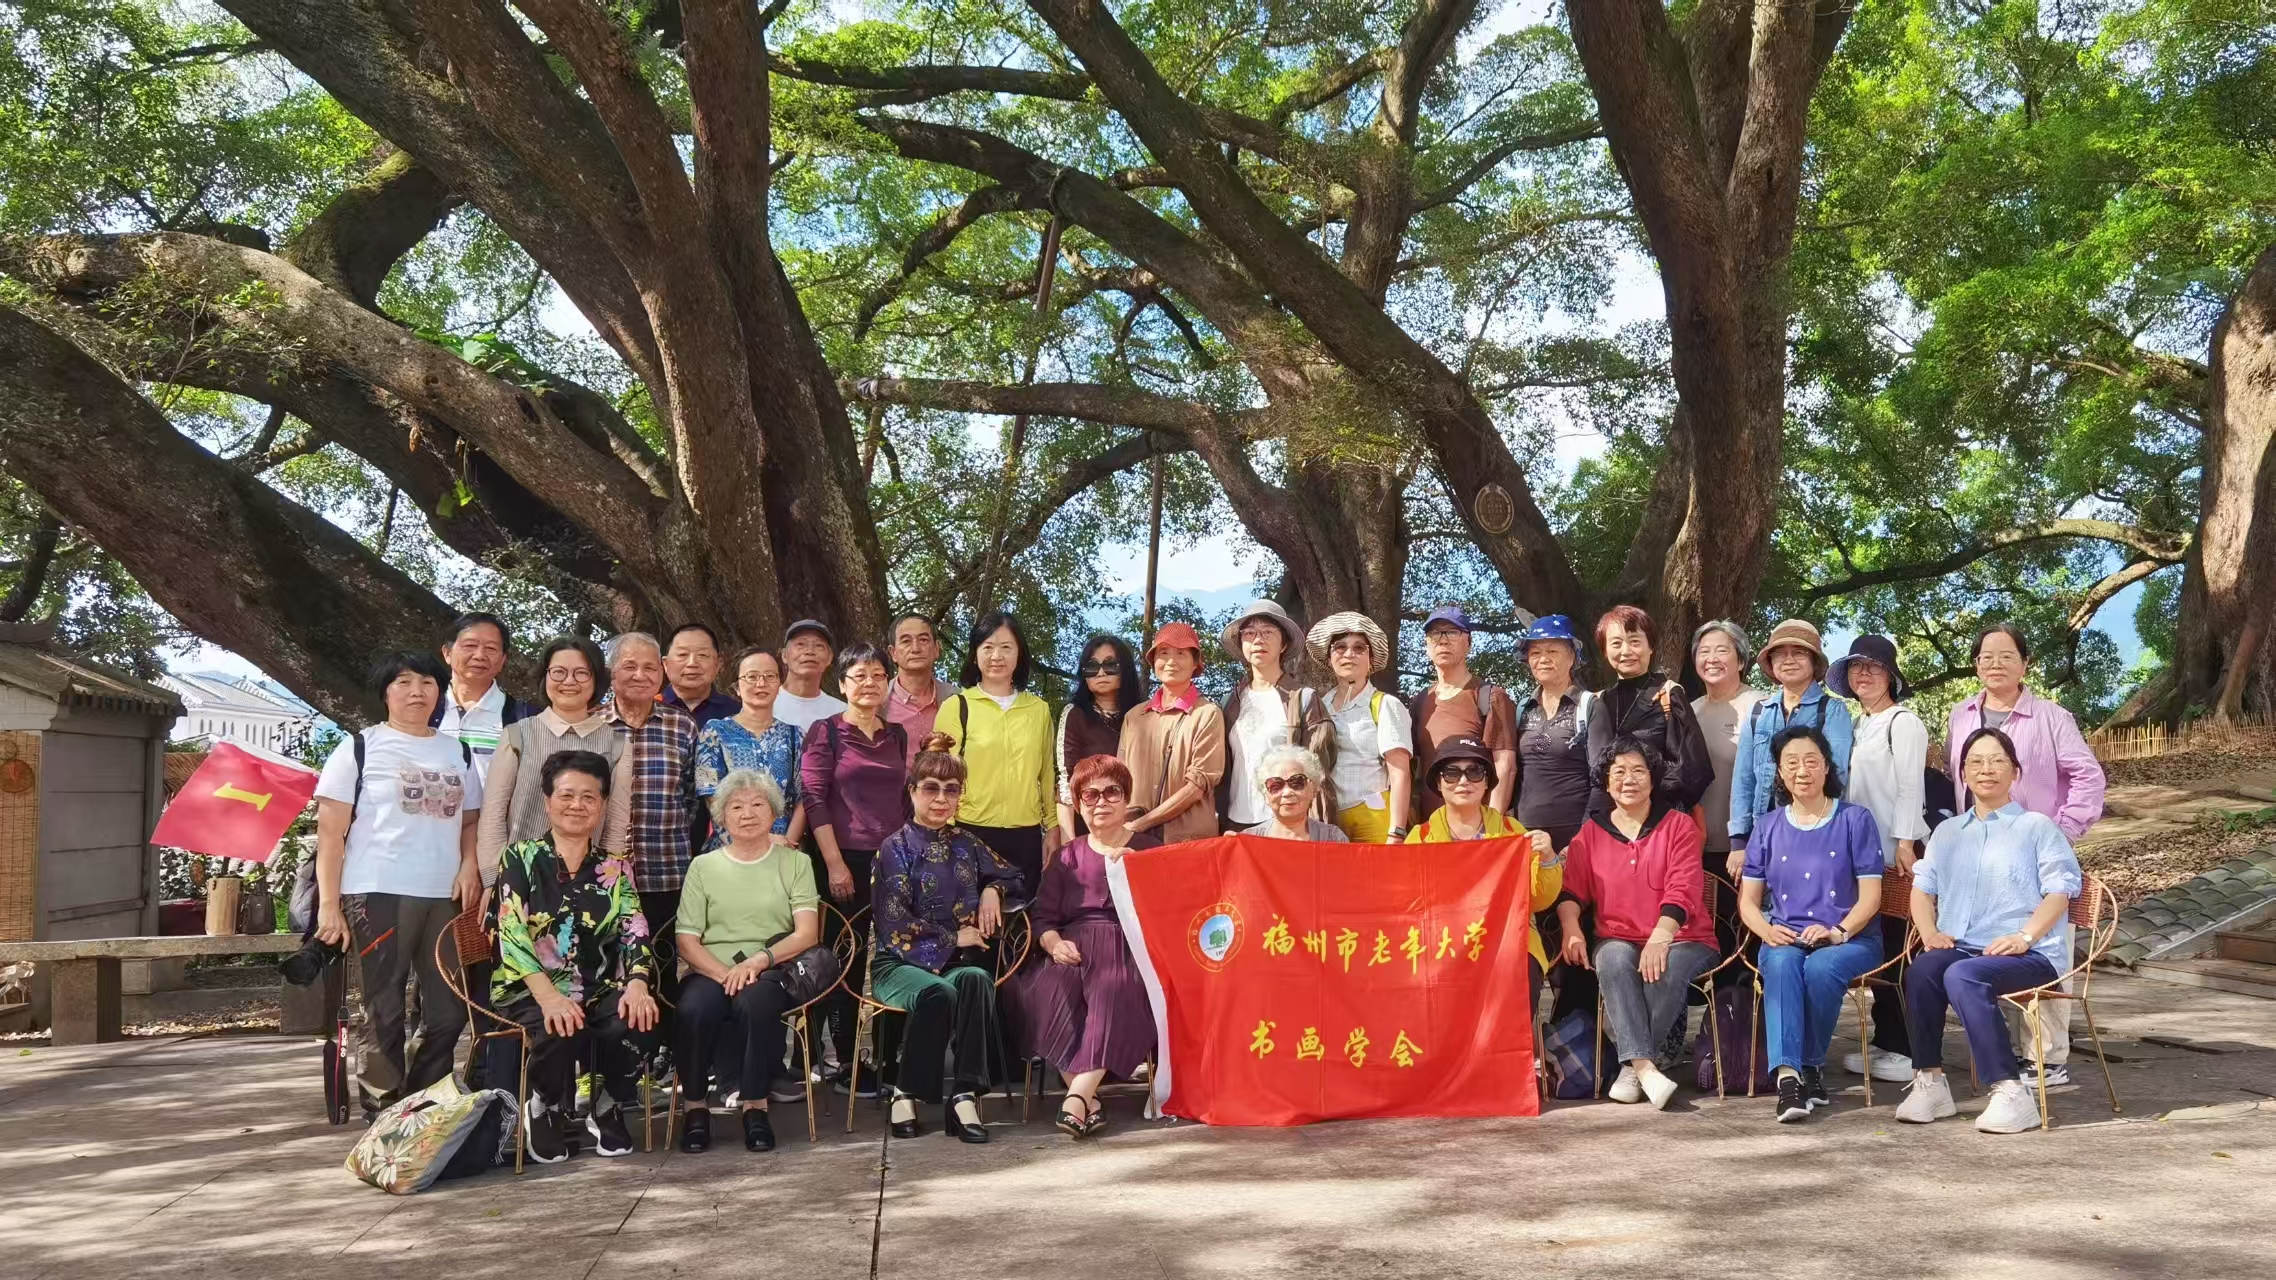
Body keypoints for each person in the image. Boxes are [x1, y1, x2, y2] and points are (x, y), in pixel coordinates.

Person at [312, 651, 484, 1118]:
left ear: (440, 692)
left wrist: (469, 865)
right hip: (378, 890)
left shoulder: (457, 752)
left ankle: (424, 1101)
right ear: (385, 692)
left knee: (449, 1010)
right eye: (404, 682)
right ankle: (383, 1108)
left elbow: (470, 822)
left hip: (445, 895)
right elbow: (330, 835)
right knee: (383, 1006)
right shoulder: (359, 748)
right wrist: (330, 905)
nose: (416, 692)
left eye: (427, 682)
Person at [1896, 727, 2083, 1135]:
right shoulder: (1947, 832)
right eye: (1976, 762)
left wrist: (2024, 937)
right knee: (1925, 969)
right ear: (1963, 773)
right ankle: (1931, 1082)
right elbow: (1921, 890)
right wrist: (1929, 933)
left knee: (1963, 975)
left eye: (1998, 761)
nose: (1987, 770)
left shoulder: (2037, 827)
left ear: (2015, 771)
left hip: (2030, 955)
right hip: (1966, 948)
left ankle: (2011, 1092)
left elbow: (2060, 893)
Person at [1944, 622, 2105, 1088]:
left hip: (2036, 856)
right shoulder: (1961, 714)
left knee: (2043, 942)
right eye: (1986, 657)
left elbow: (2088, 777)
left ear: (2025, 663)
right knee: (1992, 946)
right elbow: (1960, 779)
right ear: (1976, 665)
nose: (1995, 664)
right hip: (1980, 855)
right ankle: (2007, 1053)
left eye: (2006, 656)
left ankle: (2046, 1058)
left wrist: (2063, 830)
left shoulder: (2051, 717)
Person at [491, 750, 660, 1163]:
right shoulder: (519, 858)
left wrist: (637, 983)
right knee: (560, 1025)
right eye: (566, 795)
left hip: (597, 984)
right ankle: (544, 1105)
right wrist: (549, 997)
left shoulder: (615, 868)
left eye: (589, 797)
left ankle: (608, 1103)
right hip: (529, 986)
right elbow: (511, 934)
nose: (577, 805)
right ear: (548, 801)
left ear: (602, 806)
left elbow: (635, 930)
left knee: (640, 1019)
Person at [871, 733, 1024, 1142]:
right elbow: (893, 922)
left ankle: (965, 1094)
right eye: (931, 788)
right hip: (898, 964)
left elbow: (1013, 876)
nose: (941, 799)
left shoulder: (966, 843)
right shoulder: (894, 848)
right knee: (938, 993)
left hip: (954, 966)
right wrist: (954, 937)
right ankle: (905, 1091)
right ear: (912, 791)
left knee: (976, 979)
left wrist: (993, 889)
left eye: (951, 790)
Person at [1555, 736, 1717, 1110]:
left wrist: (1661, 937)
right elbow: (1571, 891)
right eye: (1619, 772)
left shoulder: (1678, 826)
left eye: (1639, 771)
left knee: (1664, 966)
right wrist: (1571, 927)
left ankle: (1631, 1067)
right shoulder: (1591, 833)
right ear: (1606, 781)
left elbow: (1684, 888)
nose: (1629, 779)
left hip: (1684, 936)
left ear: (1653, 778)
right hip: (1619, 936)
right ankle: (1646, 1067)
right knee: (1611, 959)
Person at [1738, 725, 1886, 1123]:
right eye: (1791, 763)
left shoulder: (1855, 819)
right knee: (1782, 963)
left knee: (1821, 967)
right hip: (1784, 934)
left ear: (1826, 767)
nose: (1801, 771)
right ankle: (1790, 1080)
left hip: (1850, 938)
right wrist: (1767, 930)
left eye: (1810, 761)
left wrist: (1838, 932)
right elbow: (1748, 902)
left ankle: (1810, 1064)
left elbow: (1871, 897)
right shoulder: (1767, 826)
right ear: (1780, 772)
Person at [1012, 755, 1160, 1139]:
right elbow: (1043, 918)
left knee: (1114, 988)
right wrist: (1053, 943)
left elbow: (1170, 908)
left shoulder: (1149, 849)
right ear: (1078, 805)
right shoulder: (1066, 856)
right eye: (1090, 795)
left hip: (1129, 946)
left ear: (1126, 799)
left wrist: (1141, 872)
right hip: (1073, 945)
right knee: (1044, 988)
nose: (1101, 802)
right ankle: (1087, 1100)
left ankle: (1076, 1096)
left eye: (1112, 792)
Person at [673, 768, 819, 1154]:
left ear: (774, 813)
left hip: (771, 967)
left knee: (755, 1002)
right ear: (722, 816)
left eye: (758, 804)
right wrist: (726, 974)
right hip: (711, 969)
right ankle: (695, 1107)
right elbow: (687, 940)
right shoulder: (703, 867)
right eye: (736, 806)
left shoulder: (795, 863)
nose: (747, 813)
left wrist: (757, 961)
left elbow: (807, 933)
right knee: (693, 1007)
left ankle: (755, 1106)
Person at [800, 641, 909, 1085]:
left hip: (893, 861)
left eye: (878, 675)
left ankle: (885, 1055)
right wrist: (833, 863)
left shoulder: (896, 734)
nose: (869, 683)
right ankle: (839, 1059)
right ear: (842, 684)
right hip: (842, 859)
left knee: (894, 954)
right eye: (859, 675)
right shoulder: (825, 731)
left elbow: (904, 800)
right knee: (842, 957)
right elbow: (814, 797)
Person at [1827, 634, 1930, 1085]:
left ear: (1891, 676)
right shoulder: (1858, 724)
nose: (1863, 673)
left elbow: (1910, 786)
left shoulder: (1903, 722)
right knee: (1879, 949)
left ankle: (1908, 1048)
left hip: (1895, 853)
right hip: (1861, 857)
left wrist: (1905, 843)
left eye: (1874, 666)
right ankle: (1887, 1041)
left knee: (1901, 951)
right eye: (1856, 666)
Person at [1405, 737, 1558, 1004]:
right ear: (1438, 783)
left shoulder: (1513, 833)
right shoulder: (1420, 838)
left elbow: (1537, 900)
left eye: (1474, 772)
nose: (1463, 781)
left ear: (1487, 782)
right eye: (1451, 773)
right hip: (1442, 944)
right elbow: (1407, 904)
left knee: (1519, 977)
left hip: (1508, 941)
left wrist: (1547, 860)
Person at [475, 636, 631, 886]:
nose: (569, 681)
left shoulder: (618, 744)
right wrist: (494, 880)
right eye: (558, 672)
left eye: (582, 673)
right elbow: (493, 813)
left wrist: (605, 881)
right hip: (518, 880)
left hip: (586, 882)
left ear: (597, 680)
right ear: (545, 676)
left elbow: (617, 823)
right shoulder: (518, 734)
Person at [603, 633, 700, 1017]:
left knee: (662, 966)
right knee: (608, 968)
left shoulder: (682, 726)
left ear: (661, 673)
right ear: (611, 672)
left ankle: (665, 1045)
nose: (640, 675)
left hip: (666, 871)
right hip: (605, 875)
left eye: (649, 667)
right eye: (629, 666)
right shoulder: (592, 724)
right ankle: (615, 1049)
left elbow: (692, 798)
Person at [937, 611, 1055, 891]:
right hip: (968, 831)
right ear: (975, 654)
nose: (996, 656)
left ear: (1019, 654)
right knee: (971, 915)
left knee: (1022, 915)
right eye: (988, 647)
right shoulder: (957, 706)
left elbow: (1047, 773)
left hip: (1024, 836)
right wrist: (945, 829)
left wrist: (1052, 826)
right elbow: (941, 774)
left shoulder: (1038, 710)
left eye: (1006, 647)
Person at [1729, 618, 1854, 856]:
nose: (1788, 660)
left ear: (1814, 661)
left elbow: (1836, 776)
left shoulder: (1831, 711)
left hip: (1814, 834)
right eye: (1780, 653)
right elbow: (1743, 779)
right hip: (1761, 836)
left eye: (1798, 652)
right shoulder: (1758, 712)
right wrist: (1739, 842)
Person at [1592, 606, 1712, 815]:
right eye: (1616, 643)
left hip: (1660, 815)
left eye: (1635, 641)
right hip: (1609, 816)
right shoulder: (1598, 702)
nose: (1626, 651)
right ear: (1604, 651)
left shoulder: (1669, 694)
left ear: (1651, 646)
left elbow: (1694, 767)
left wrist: (1644, 794)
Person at [1308, 612, 1413, 843]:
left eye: (1359, 648)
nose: (1349, 654)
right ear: (1329, 658)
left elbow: (1400, 772)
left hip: (1374, 815)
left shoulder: (1385, 704)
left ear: (1371, 659)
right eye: (1340, 647)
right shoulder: (1319, 707)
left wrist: (1396, 831)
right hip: (1329, 818)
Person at [1119, 622, 1227, 845]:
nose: (1171, 661)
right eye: (1164, 653)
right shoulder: (1134, 716)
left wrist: (1143, 823)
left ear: (1195, 663)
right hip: (1134, 841)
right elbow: (1119, 779)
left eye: (1181, 654)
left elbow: (1198, 786)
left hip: (1188, 841)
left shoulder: (1207, 714)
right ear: (1153, 661)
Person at [1409, 605, 1519, 818]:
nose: (1443, 641)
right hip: (1431, 826)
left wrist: (1492, 823)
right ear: (1427, 645)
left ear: (1468, 643)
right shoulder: (1421, 701)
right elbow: (1412, 768)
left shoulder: (1490, 697)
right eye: (1435, 634)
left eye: (1452, 632)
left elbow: (1505, 766)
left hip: (1478, 826)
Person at [1512, 615, 1608, 853]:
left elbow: (1602, 777)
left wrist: (1584, 837)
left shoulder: (1589, 706)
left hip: (1574, 836)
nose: (1543, 659)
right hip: (1525, 835)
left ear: (1572, 657)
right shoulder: (1523, 708)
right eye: (1535, 653)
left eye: (1552, 651)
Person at [695, 646, 808, 846]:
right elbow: (710, 794)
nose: (761, 683)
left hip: (782, 848)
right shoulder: (714, 732)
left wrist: (787, 843)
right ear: (736, 687)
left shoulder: (795, 735)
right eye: (752, 677)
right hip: (730, 850)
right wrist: (754, 841)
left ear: (779, 685)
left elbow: (804, 797)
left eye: (770, 676)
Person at [432, 611, 535, 784]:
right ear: (447, 653)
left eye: (491, 648)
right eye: (470, 645)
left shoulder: (525, 719)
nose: (479, 655)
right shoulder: (422, 707)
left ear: (502, 660)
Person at [1057, 634, 1141, 842]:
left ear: (1125, 670)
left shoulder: (1143, 715)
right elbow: (1066, 783)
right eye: (1092, 667)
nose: (1101, 673)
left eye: (1110, 665)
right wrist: (1069, 845)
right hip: (1087, 831)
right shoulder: (1075, 714)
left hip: (1136, 828)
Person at [886, 613, 959, 765]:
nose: (915, 648)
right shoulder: (878, 703)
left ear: (936, 649)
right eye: (906, 641)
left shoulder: (958, 700)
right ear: (893, 653)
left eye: (923, 640)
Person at [1248, 744, 1350, 842]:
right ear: (1265, 795)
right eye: (1276, 785)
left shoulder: (1333, 839)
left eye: (1297, 782)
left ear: (1313, 789)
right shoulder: (1247, 841)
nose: (1287, 792)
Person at [775, 619, 849, 733]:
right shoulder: (764, 704)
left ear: (829, 657)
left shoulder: (841, 713)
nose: (810, 651)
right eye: (800, 644)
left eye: (819, 645)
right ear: (784, 655)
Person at [663, 622, 739, 728]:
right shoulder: (646, 710)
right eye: (682, 655)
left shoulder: (737, 714)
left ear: (718, 664)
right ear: (666, 664)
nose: (692, 663)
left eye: (702, 655)